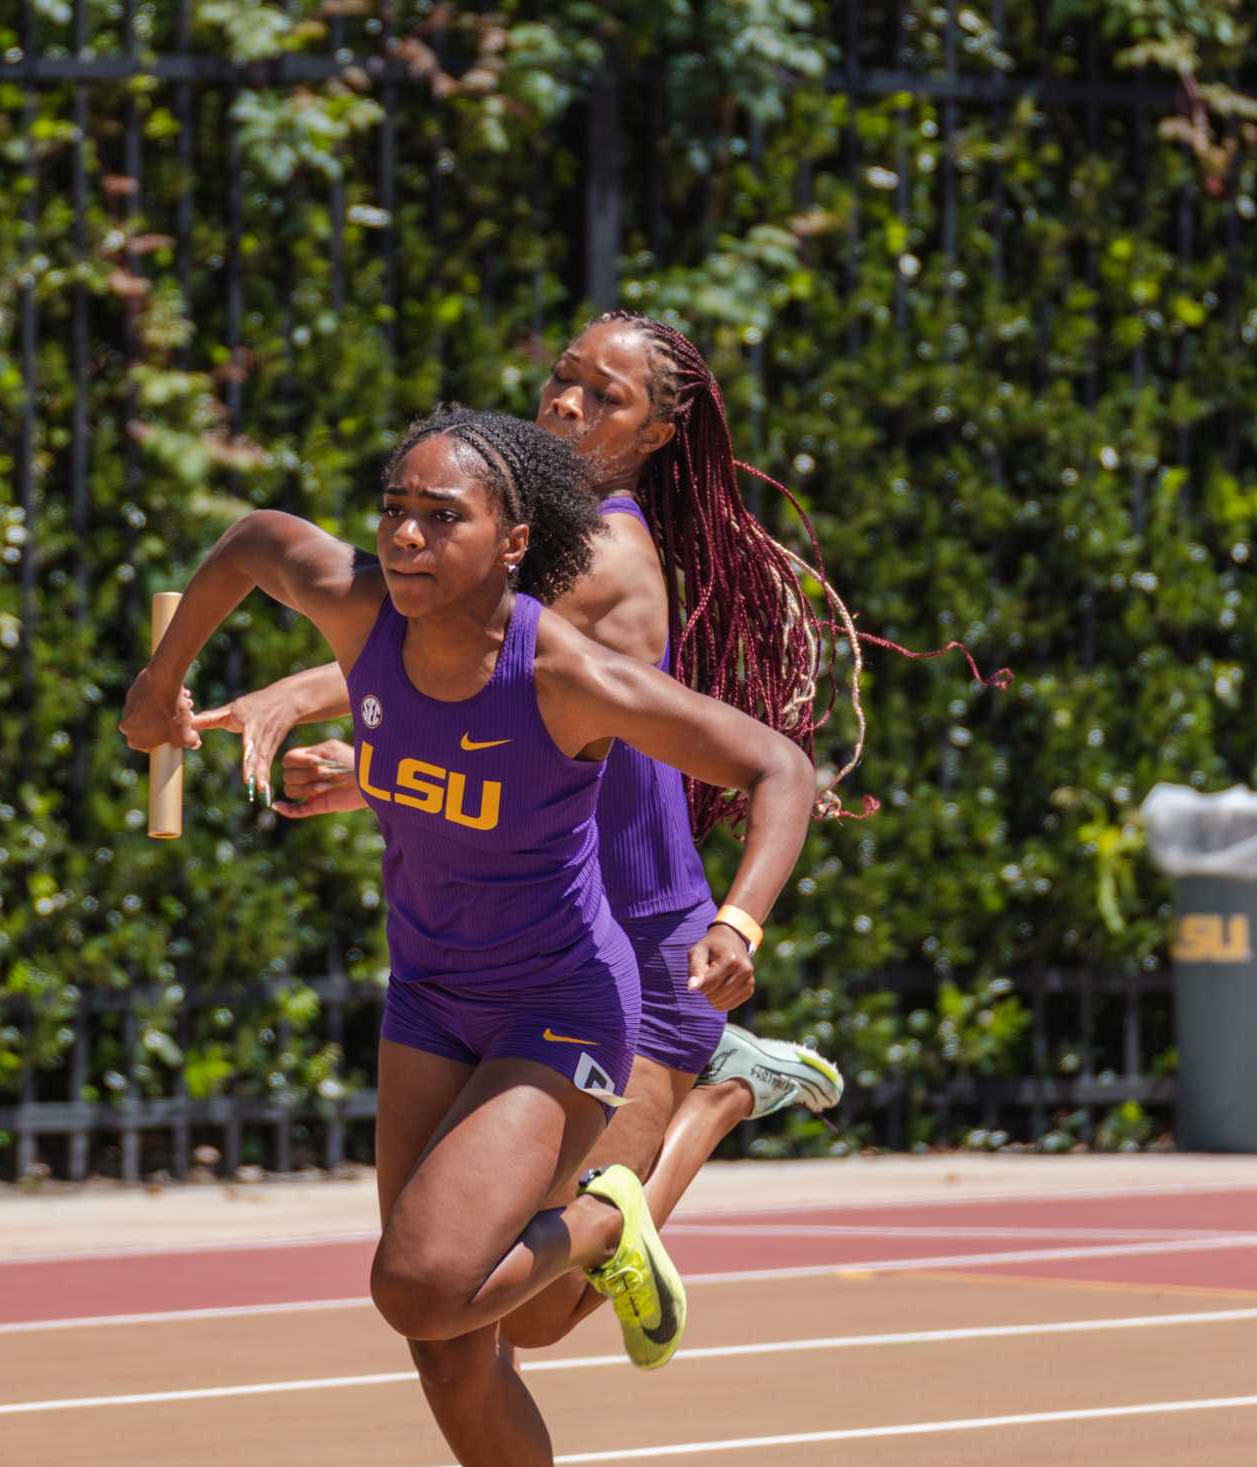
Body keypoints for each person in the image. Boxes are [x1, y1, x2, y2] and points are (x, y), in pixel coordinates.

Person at [119, 407, 817, 1467]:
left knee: (422, 1286)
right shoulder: (362, 618)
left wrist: (740, 920)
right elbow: (256, 539)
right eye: (395, 511)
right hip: (432, 997)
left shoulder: (563, 677)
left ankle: (608, 1221)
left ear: (515, 541)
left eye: (441, 518)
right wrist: (158, 683)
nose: (405, 537)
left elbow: (779, 767)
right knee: (454, 1346)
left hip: (559, 1004)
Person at [191, 312, 867, 1353]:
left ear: (653, 436)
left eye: (604, 397)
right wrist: (373, 773)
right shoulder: (524, 543)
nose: (564, 404)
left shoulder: (597, 554)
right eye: (562, 378)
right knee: (496, 1300)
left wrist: (302, 698)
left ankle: (727, 1089)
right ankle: (695, 1114)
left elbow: (424, 645)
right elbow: (493, 750)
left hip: (641, 957)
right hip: (544, 940)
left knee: (539, 1315)